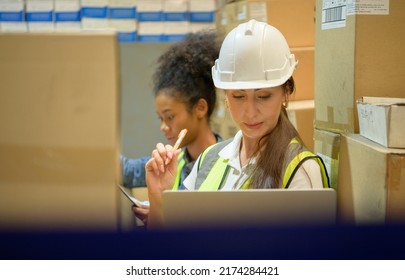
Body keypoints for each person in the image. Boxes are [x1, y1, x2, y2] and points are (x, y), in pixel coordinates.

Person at [145, 20, 330, 229]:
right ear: (226, 95)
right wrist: (159, 196)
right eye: (239, 96)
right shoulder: (209, 158)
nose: (250, 112)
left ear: (285, 93)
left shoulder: (301, 171)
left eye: (263, 96)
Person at [121, 31, 223, 224]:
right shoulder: (175, 161)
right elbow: (126, 170)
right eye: (160, 118)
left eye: (170, 117)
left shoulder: (230, 163)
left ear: (200, 108)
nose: (163, 127)